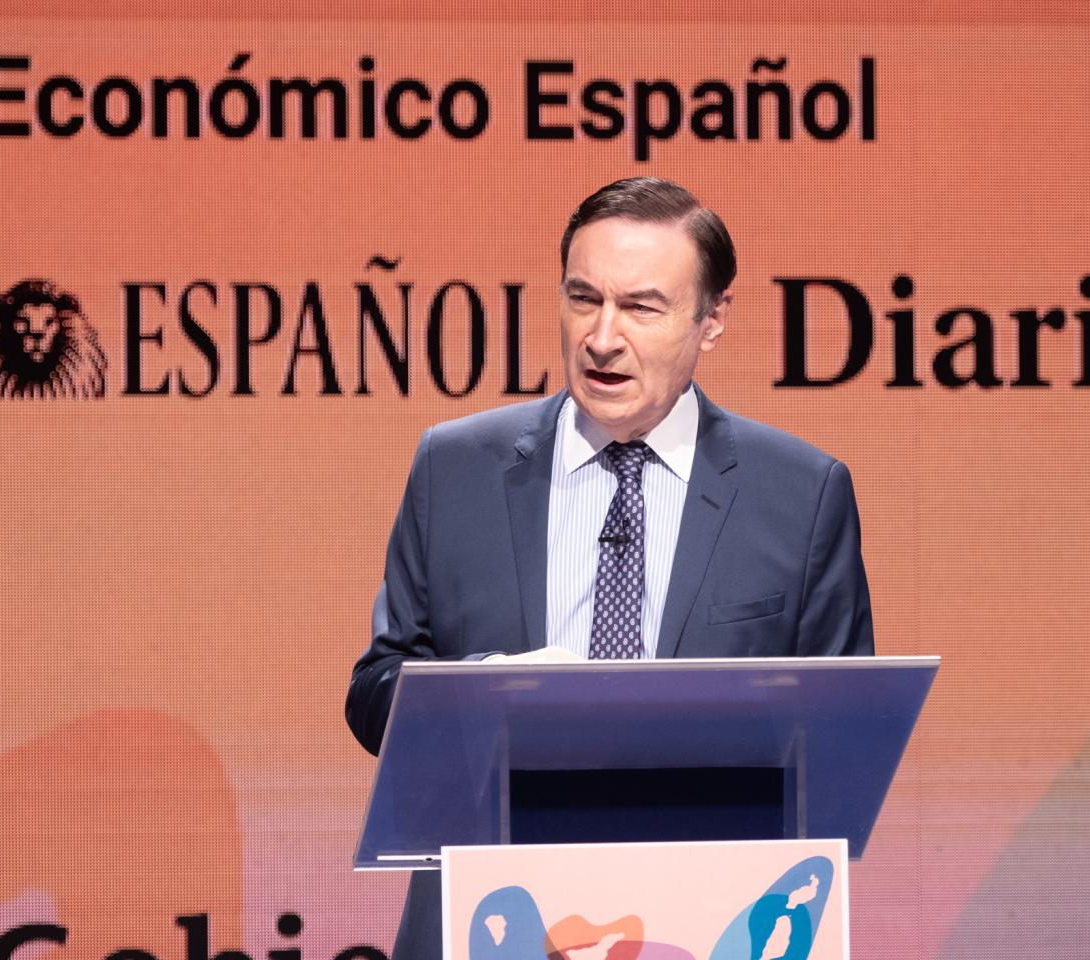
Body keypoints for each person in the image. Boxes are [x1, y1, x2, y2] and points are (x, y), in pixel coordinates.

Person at [345, 177, 874, 960]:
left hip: (706, 926)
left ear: (712, 318)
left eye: (641, 307)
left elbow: (846, 741)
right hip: (490, 922)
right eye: (583, 298)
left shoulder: (800, 493)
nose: (601, 337)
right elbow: (374, 694)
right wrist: (486, 691)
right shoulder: (456, 468)